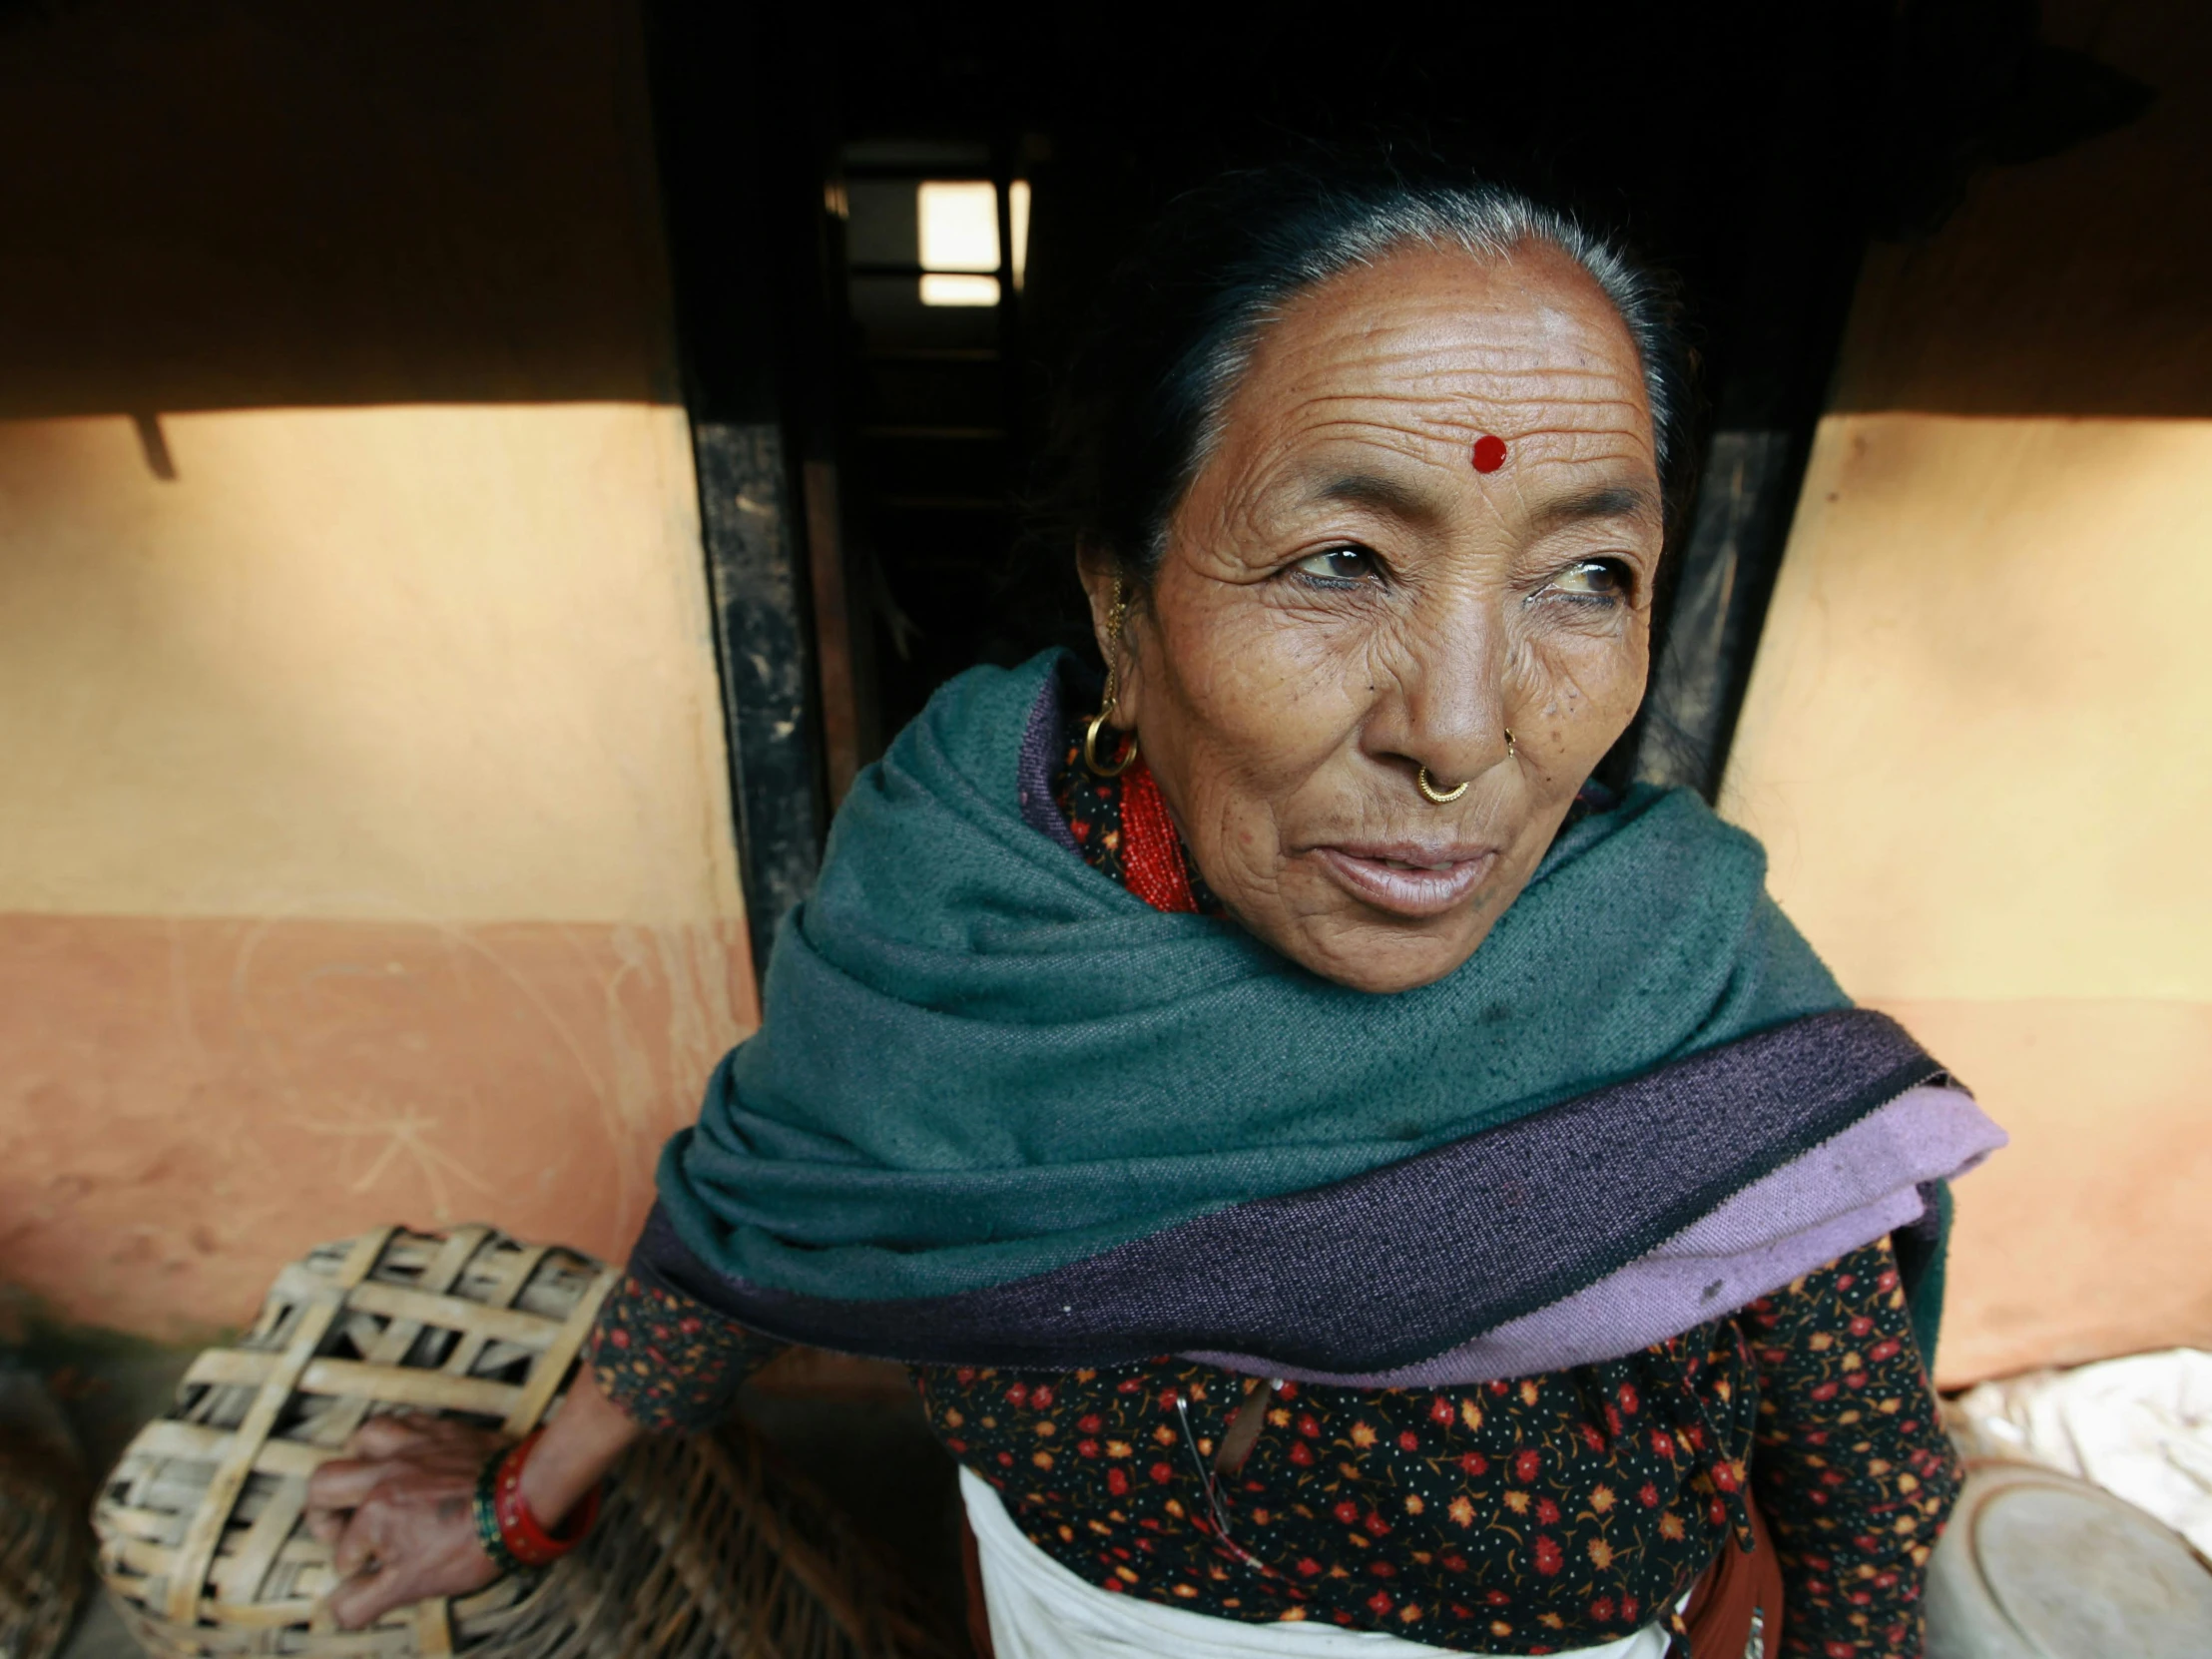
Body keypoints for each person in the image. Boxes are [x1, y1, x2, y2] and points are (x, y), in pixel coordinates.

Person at [304, 162, 2003, 1659]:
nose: (1469, 728)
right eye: (1344, 559)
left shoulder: (1688, 991)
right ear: (1122, 604)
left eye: (1585, 576)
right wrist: (520, 1506)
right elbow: (779, 1214)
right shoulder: (950, 917)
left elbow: (1863, 1493)